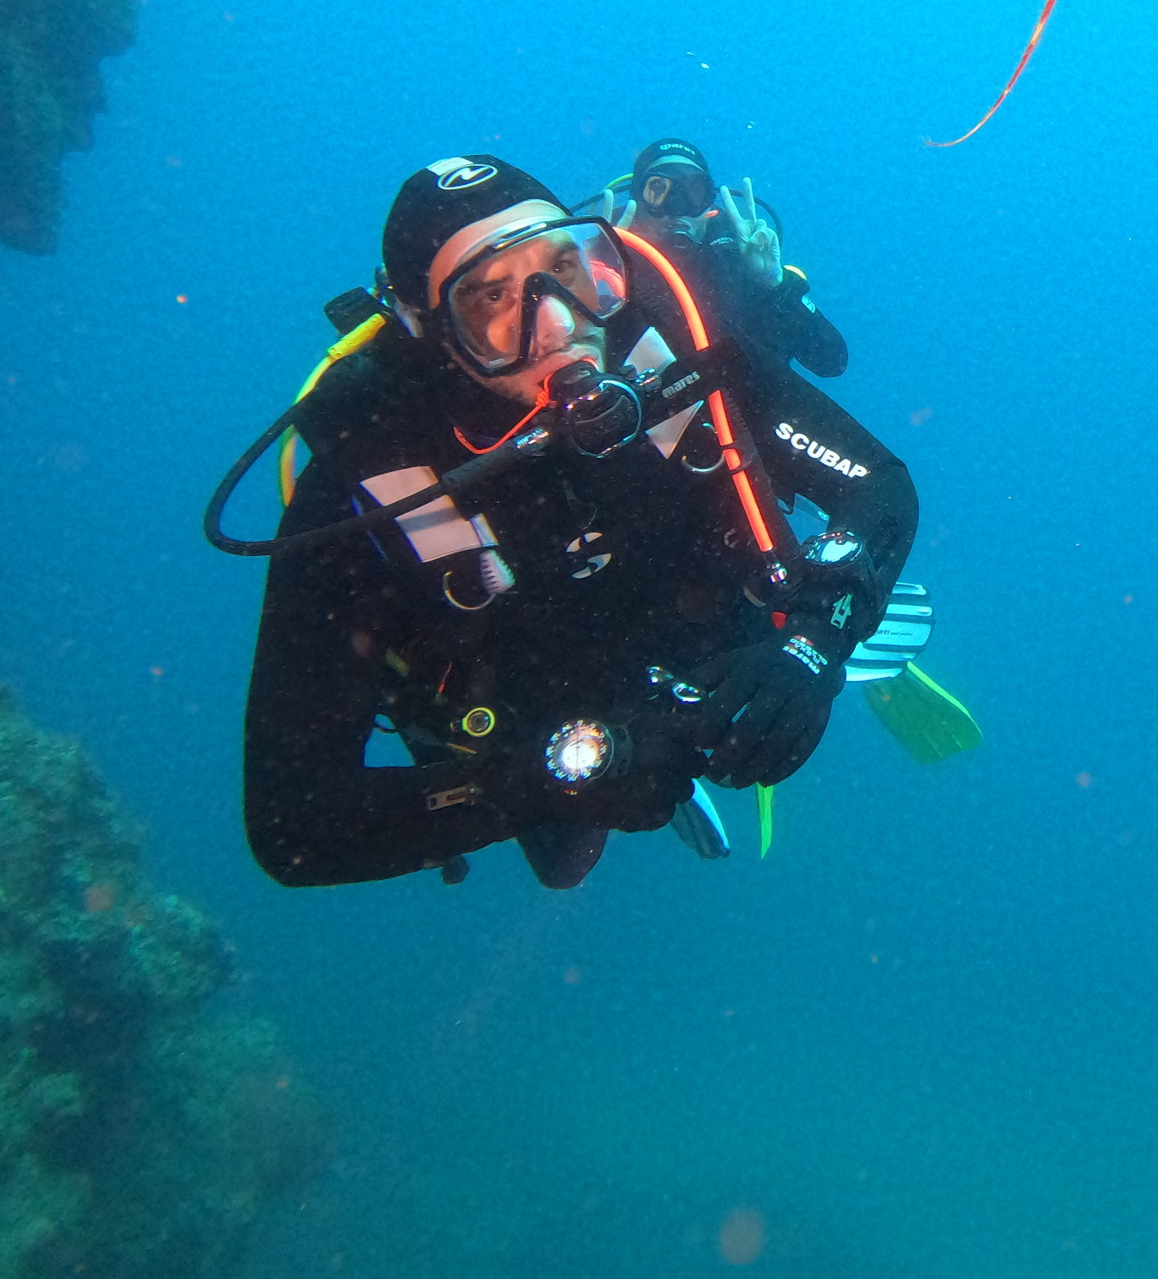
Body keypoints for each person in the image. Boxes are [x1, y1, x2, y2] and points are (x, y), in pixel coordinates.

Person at [237, 156, 917, 888]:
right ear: (425, 329)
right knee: (564, 856)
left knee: (798, 617)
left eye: (567, 265)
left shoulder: (673, 355)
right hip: (537, 723)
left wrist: (817, 639)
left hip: (721, 629)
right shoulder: (363, 489)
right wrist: (544, 782)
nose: (559, 323)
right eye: (491, 296)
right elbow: (293, 824)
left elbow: (878, 484)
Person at [596, 138, 849, 378]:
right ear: (637, 200)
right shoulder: (605, 266)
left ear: (709, 203)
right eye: (659, 190)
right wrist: (596, 285)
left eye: (694, 192)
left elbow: (832, 360)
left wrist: (775, 283)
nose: (678, 207)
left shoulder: (735, 263)